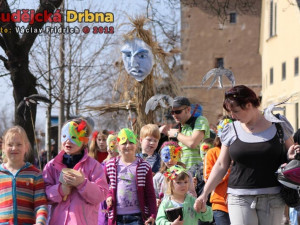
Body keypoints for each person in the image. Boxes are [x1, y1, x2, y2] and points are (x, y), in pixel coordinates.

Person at [194, 85, 300, 225]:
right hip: (239, 197)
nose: (232, 116)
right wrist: (204, 193)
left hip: (273, 197)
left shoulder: (278, 124)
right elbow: (221, 165)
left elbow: (292, 155)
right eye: (230, 112)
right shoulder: (230, 129)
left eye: (236, 111)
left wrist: (292, 155)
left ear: (249, 105)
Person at [43, 118, 109, 225]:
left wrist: (82, 184)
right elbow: (43, 194)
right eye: (65, 136)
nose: (68, 141)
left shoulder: (94, 166)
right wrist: (60, 190)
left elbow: (101, 194)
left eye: (73, 137)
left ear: (84, 141)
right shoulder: (52, 166)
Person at [105, 128, 157, 225]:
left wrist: (153, 214)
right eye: (124, 143)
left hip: (137, 217)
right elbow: (103, 186)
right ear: (118, 146)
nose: (128, 146)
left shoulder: (144, 166)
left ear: (136, 144)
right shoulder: (110, 165)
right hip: (117, 217)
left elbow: (150, 193)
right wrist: (108, 196)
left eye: (131, 142)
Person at [0, 126, 48, 224]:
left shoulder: (34, 174)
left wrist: (40, 222)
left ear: (26, 147)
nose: (14, 148)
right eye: (10, 144)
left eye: (19, 144)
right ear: (3, 148)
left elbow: (40, 204)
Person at [162, 96, 210, 169]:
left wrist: (176, 134)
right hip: (184, 175)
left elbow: (192, 143)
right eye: (172, 112)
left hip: (199, 172)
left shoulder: (200, 120)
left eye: (178, 111)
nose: (174, 115)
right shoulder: (178, 128)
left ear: (188, 109)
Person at [203, 118, 232, 225]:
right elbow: (208, 179)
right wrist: (228, 169)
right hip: (220, 204)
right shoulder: (212, 152)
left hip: (241, 202)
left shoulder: (239, 152)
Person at [153, 141, 197, 206]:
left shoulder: (186, 174)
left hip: (184, 208)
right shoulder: (158, 177)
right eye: (167, 157)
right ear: (162, 157)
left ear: (179, 155)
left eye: (174, 156)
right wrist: (156, 201)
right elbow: (154, 195)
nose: (170, 160)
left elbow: (192, 193)